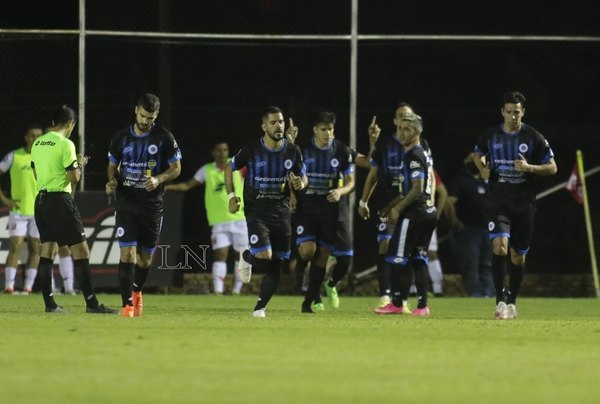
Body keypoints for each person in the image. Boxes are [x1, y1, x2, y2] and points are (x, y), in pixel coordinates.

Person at [472, 91, 557, 319]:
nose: (512, 116)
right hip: (497, 201)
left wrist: (530, 168)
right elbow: (477, 154)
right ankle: (499, 301)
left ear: (523, 113)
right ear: (502, 111)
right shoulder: (490, 134)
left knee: (518, 256)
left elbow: (552, 167)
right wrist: (482, 168)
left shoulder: (533, 137)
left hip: (523, 204)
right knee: (499, 246)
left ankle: (512, 302)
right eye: (508, 112)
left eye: (516, 112)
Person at [30, 105, 116, 313]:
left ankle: (50, 304)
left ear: (53, 122)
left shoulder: (38, 143)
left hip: (41, 201)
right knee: (81, 250)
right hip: (60, 200)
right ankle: (92, 304)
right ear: (70, 124)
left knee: (47, 251)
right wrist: (79, 164)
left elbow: (35, 172)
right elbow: (73, 177)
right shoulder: (66, 144)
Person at [225, 106, 307, 318]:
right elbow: (229, 167)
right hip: (256, 210)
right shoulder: (252, 149)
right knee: (265, 255)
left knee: (278, 261)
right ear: (264, 126)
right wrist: (231, 196)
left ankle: (260, 307)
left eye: (280, 122)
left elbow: (302, 176)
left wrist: (300, 183)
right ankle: (248, 254)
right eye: (273, 122)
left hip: (281, 211)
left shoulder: (292, 150)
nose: (278, 126)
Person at [106, 93, 182, 317]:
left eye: (150, 118)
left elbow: (176, 168)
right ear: (135, 111)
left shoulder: (164, 138)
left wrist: (159, 179)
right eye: (142, 116)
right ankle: (127, 304)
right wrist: (111, 180)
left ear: (156, 115)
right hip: (127, 202)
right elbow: (112, 166)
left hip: (152, 205)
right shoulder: (121, 137)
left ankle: (137, 292)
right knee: (127, 254)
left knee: (145, 258)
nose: (145, 121)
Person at [291, 111, 355, 313]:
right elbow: (292, 175)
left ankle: (308, 302)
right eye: (324, 129)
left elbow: (351, 182)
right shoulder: (302, 151)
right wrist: (293, 194)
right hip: (307, 206)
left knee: (323, 257)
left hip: (330, 207)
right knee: (308, 250)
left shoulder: (342, 151)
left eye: (331, 129)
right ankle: (299, 267)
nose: (328, 133)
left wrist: (340, 191)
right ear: (315, 130)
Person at [358, 102, 419, 310]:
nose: (404, 120)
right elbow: (372, 174)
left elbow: (427, 177)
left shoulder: (419, 145)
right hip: (386, 202)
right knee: (385, 245)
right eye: (400, 116)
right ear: (395, 121)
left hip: (410, 203)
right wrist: (363, 201)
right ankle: (385, 294)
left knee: (407, 250)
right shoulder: (384, 145)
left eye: (408, 116)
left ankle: (401, 297)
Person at [375, 112, 437, 316]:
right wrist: (391, 204)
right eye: (400, 128)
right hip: (428, 212)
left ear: (418, 132)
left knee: (395, 256)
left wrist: (397, 209)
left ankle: (397, 303)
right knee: (418, 258)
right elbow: (406, 189)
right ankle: (422, 306)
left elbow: (417, 187)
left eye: (407, 129)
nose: (401, 133)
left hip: (415, 213)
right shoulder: (420, 153)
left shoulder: (413, 154)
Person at [165, 142, 247, 295]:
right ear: (213, 153)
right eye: (219, 150)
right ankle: (218, 291)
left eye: (225, 150)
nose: (222, 153)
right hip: (219, 221)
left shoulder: (238, 167)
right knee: (220, 254)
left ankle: (236, 291)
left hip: (240, 219)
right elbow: (187, 185)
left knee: (241, 256)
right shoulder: (207, 170)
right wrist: (167, 187)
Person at [0, 124, 43, 294]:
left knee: (36, 248)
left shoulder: (44, 157)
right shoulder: (14, 156)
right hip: (18, 211)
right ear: (26, 137)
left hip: (37, 211)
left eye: (38, 136)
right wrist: (4, 199)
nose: (35, 139)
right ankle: (9, 286)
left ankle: (27, 287)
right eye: (32, 135)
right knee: (15, 246)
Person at [446, 153, 494, 297]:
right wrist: (455, 222)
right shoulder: (460, 181)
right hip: (469, 230)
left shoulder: (485, 183)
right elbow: (449, 204)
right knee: (470, 265)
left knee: (488, 265)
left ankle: (488, 294)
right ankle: (475, 294)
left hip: (488, 230)